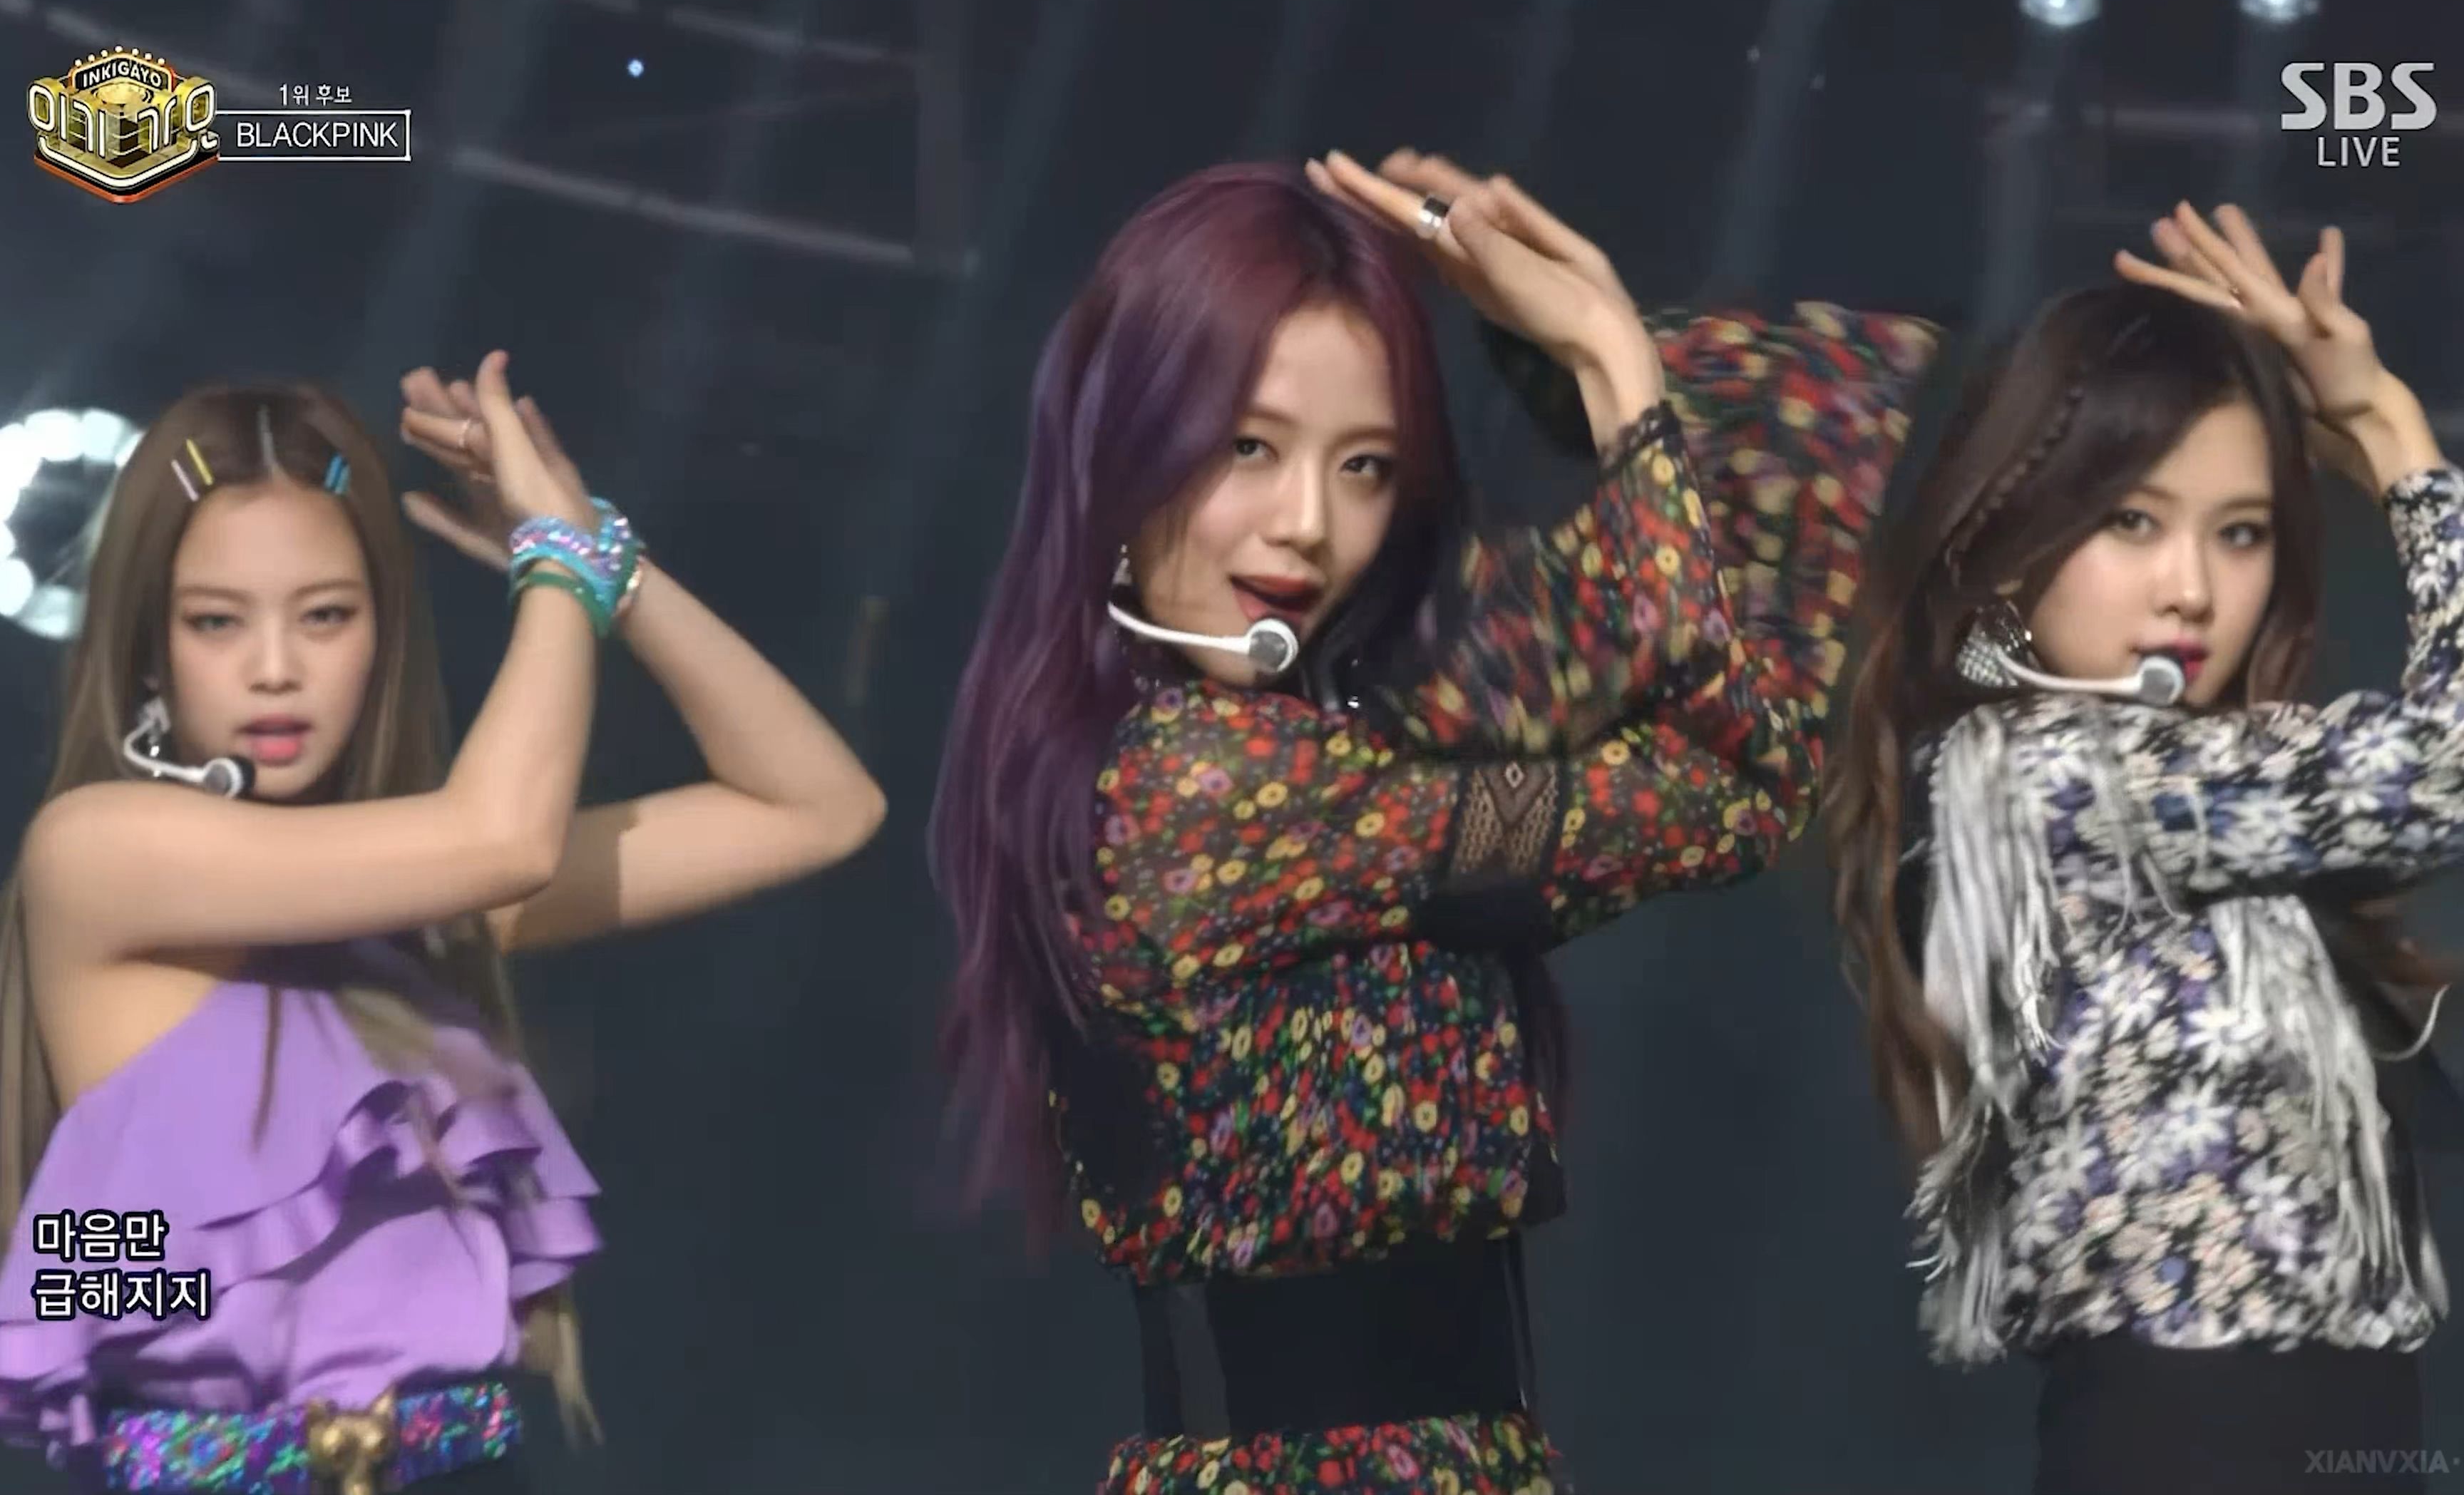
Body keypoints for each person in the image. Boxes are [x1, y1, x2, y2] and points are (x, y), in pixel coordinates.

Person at [930, 151, 1939, 1494]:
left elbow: (1711, 726)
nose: (1307, 526)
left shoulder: (1354, 756)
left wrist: (1616, 363)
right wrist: (1611, 365)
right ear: (1126, 447)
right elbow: (1731, 791)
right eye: (1247, 446)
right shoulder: (1210, 788)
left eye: (1365, 467)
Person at [0, 356, 885, 1494]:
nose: (276, 670)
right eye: (216, 621)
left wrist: (608, 560)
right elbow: (505, 838)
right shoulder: (97, 851)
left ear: (382, 633)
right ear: (150, 650)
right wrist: (557, 566)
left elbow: (816, 807)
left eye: (326, 615)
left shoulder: (420, 909)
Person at [1827, 205, 2453, 1494]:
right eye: (2131, 522)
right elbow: (2447, 766)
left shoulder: (2211, 816)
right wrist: (2394, 436)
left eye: (2241, 531)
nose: (2192, 589)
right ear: (2010, 542)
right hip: (2192, 1442)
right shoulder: (2045, 774)